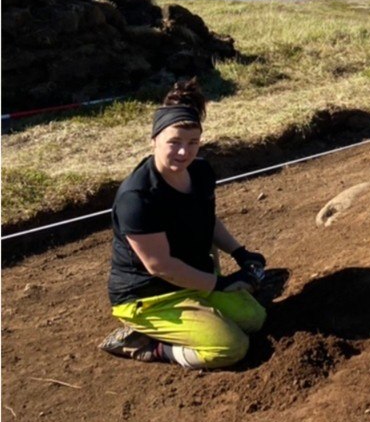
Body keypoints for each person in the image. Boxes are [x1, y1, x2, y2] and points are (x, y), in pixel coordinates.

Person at [99, 79, 268, 369]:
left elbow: (207, 220)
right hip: (149, 295)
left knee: (255, 320)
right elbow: (160, 266)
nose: (183, 152)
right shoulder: (137, 197)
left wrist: (240, 252)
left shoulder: (200, 172)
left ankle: (201, 313)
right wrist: (219, 283)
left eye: (192, 143)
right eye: (174, 143)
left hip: (191, 278)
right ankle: (148, 345)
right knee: (230, 347)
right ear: (154, 140)